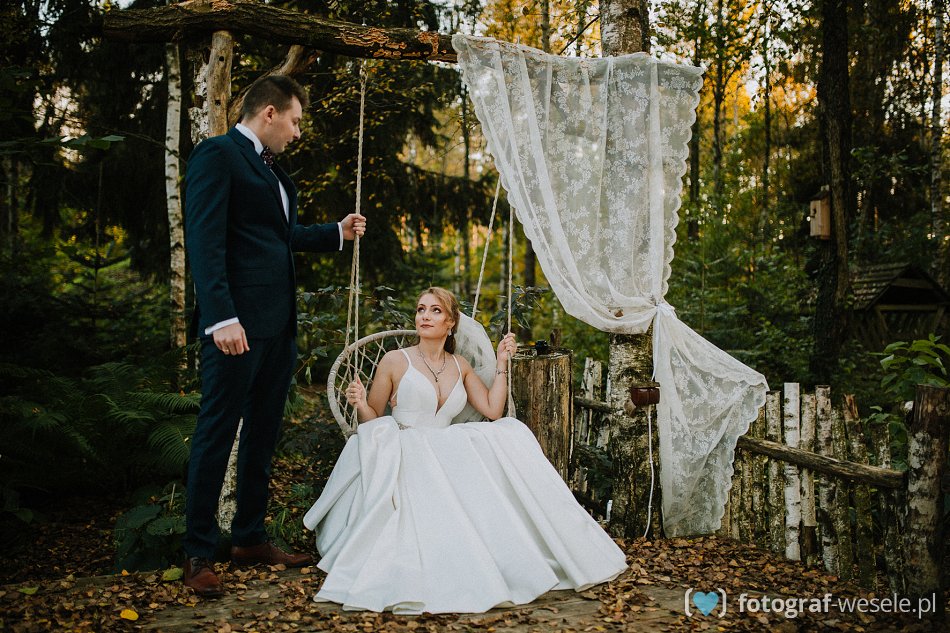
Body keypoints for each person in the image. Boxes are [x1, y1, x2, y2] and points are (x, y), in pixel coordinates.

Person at [303, 287, 626, 614]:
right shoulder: (395, 360)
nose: (425, 316)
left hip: (445, 445)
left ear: (451, 323)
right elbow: (372, 421)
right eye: (421, 309)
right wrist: (360, 403)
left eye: (435, 311)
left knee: (510, 433)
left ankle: (523, 549)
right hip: (405, 445)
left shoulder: (460, 365)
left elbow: (493, 410)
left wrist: (502, 363)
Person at [183, 75, 367, 598]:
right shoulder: (218, 156)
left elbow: (276, 238)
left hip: (278, 326)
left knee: (263, 434)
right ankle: (198, 552)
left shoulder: (273, 172)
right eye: (295, 120)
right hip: (235, 328)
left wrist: (335, 232)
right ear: (269, 112)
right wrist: (221, 317)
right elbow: (204, 240)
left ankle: (249, 538)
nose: (297, 132)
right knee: (217, 432)